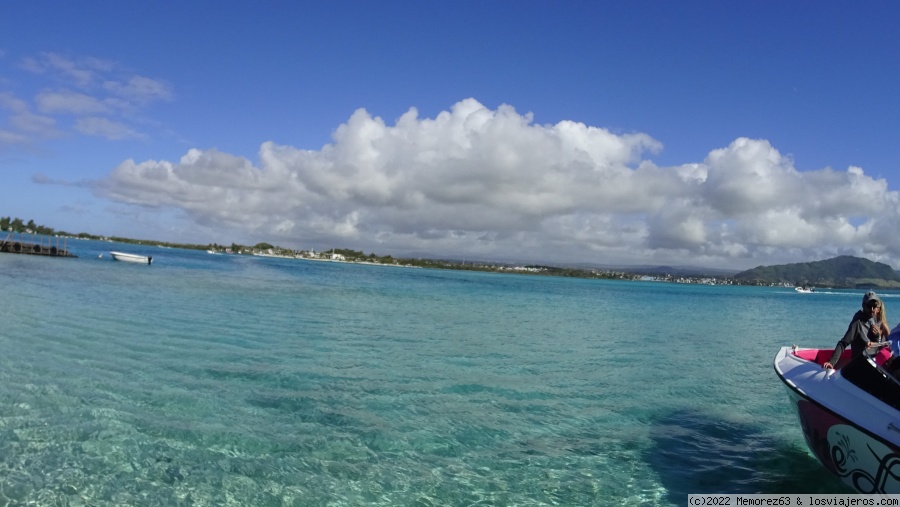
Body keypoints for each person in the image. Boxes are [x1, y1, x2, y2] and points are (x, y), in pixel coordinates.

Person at [823, 291, 888, 370]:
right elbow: (843, 343)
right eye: (869, 306)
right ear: (863, 306)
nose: (872, 309)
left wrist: (877, 336)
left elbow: (880, 346)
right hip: (861, 365)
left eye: (874, 306)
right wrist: (831, 362)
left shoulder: (875, 318)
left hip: (875, 362)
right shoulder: (857, 322)